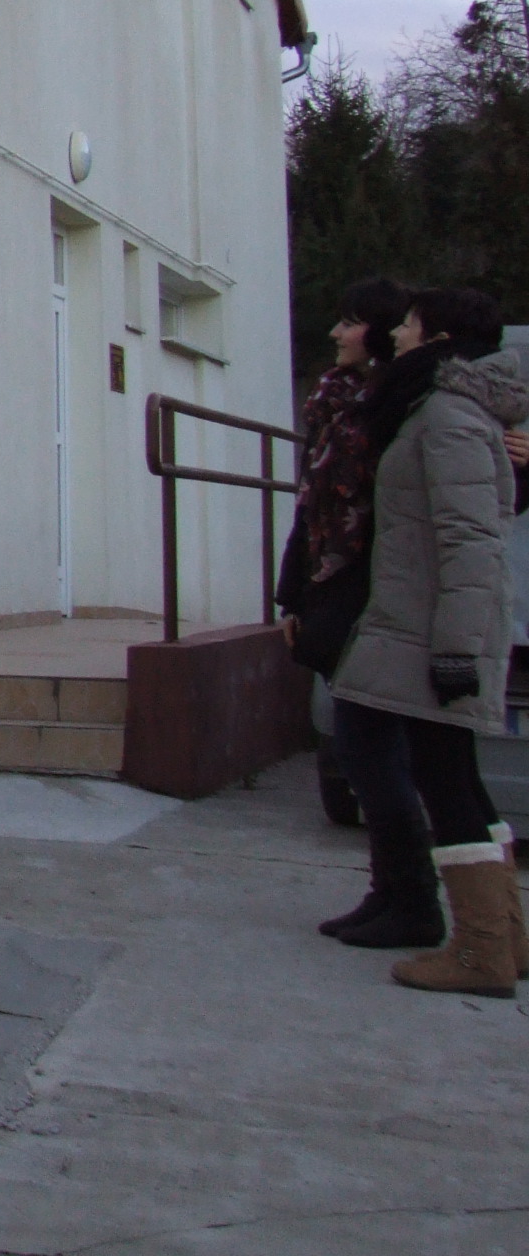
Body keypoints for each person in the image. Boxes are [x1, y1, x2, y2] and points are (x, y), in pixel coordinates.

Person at [330, 287, 529, 997]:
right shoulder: (440, 408)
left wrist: (455, 650)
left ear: (439, 337)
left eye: (410, 324)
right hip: (426, 625)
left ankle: (481, 954)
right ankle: (505, 937)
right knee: (458, 778)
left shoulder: (447, 415)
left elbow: (470, 539)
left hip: (433, 633)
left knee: (446, 783)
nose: (399, 333)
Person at [281, 278, 423, 945]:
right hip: (334, 585)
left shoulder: (403, 404)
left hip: (380, 590)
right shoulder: (336, 402)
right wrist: (292, 593)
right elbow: (311, 503)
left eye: (350, 322)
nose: (336, 333)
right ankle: (389, 893)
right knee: (364, 750)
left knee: (375, 751)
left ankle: (414, 902)